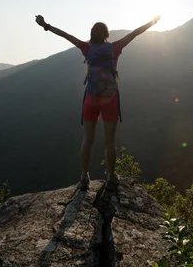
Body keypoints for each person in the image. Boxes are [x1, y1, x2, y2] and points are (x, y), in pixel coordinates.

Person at [34, 14, 160, 191]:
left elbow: (66, 35)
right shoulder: (115, 47)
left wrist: (46, 25)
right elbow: (134, 33)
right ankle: (111, 177)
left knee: (88, 139)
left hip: (90, 99)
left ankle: (84, 177)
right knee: (109, 142)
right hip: (110, 99)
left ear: (92, 35)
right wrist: (152, 22)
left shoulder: (87, 48)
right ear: (106, 35)